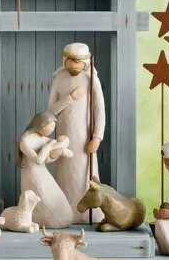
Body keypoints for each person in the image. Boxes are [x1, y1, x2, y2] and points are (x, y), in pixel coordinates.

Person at [48, 43, 105, 223]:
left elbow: (100, 110)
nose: (73, 65)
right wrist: (70, 98)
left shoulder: (91, 79)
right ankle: (66, 212)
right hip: (64, 137)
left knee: (84, 174)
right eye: (70, 60)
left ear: (85, 62)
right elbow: (51, 110)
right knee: (65, 175)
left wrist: (97, 137)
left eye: (77, 61)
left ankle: (89, 213)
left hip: (84, 138)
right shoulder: (59, 80)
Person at [18, 111, 74, 229]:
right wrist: (48, 146)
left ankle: (62, 218)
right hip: (32, 175)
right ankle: (41, 219)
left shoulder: (43, 138)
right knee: (42, 198)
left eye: (54, 127)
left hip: (43, 173)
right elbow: (39, 160)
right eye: (51, 127)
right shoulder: (25, 141)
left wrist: (60, 150)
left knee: (59, 202)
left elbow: (48, 158)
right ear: (42, 125)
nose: (52, 130)